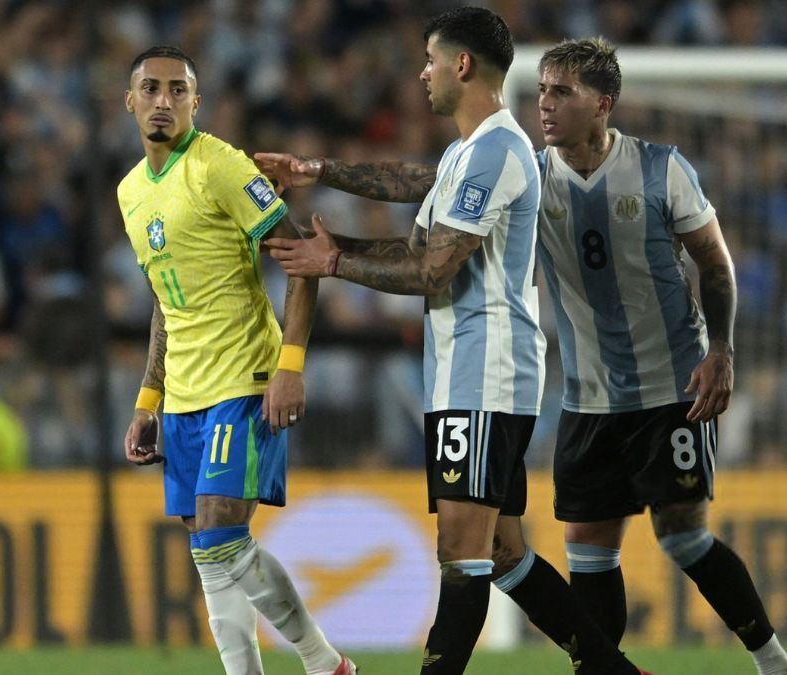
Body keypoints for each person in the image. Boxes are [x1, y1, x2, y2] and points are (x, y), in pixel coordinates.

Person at [256, 8, 647, 675]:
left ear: (461, 66)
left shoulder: (497, 150)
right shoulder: (468, 151)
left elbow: (434, 267)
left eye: (430, 60)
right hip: (470, 372)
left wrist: (334, 262)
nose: (421, 74)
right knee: (500, 552)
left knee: (459, 549)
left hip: (484, 372)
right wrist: (321, 176)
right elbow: (416, 187)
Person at [531, 38, 787, 675]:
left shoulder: (660, 168)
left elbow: (715, 263)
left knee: (682, 536)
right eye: (543, 89)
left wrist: (723, 350)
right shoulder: (532, 173)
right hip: (588, 396)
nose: (545, 104)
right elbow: (433, 184)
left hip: (672, 390)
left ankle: (775, 663)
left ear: (603, 104)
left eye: (561, 91)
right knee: (589, 549)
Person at [117, 46, 354, 675]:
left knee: (221, 536)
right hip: (184, 397)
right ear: (130, 100)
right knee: (208, 552)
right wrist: (148, 402)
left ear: (196, 102)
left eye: (177, 90)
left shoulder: (221, 166)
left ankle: (324, 662)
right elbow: (165, 304)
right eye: (150, 89)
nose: (162, 101)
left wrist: (291, 365)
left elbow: (302, 260)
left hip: (243, 380)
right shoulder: (131, 193)